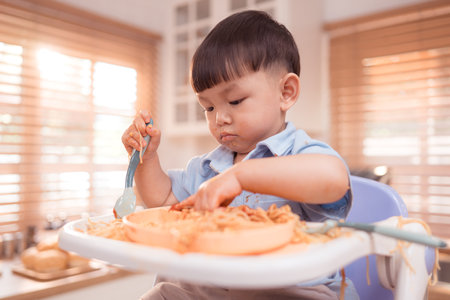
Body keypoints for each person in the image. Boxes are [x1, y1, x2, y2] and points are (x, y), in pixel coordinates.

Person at [122, 10, 358, 300]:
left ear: (286, 92)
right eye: (208, 107)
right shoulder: (208, 168)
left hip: (292, 290)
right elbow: (161, 200)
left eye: (235, 100)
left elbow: (333, 178)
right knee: (160, 293)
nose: (219, 117)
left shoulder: (299, 153)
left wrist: (241, 176)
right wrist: (146, 158)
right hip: (216, 288)